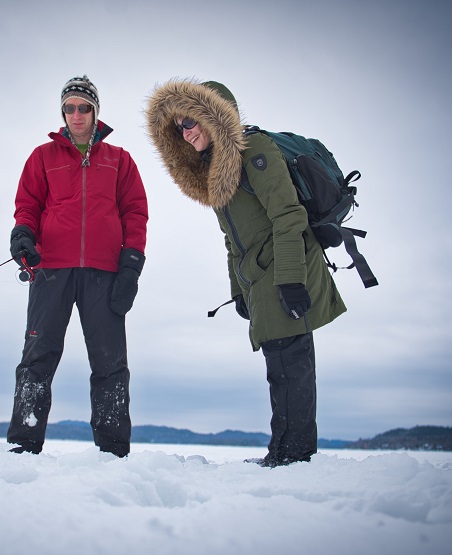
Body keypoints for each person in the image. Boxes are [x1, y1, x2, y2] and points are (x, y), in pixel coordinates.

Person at [145, 79, 346, 467]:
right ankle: (284, 452)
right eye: (180, 127)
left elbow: (288, 216)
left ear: (213, 116)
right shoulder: (217, 171)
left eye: (191, 121)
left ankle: (293, 456)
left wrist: (291, 279)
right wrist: (238, 290)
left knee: (291, 362)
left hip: (287, 266)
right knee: (279, 365)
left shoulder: (256, 150)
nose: (186, 132)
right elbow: (232, 239)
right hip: (261, 276)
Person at [6, 75, 148, 458]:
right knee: (37, 357)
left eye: (84, 107)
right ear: (63, 113)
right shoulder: (42, 157)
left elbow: (135, 213)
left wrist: (131, 265)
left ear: (95, 111)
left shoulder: (120, 160)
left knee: (110, 362)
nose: (77, 114)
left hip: (105, 273)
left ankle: (112, 450)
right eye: (69, 108)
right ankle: (25, 442)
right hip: (51, 269)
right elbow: (27, 206)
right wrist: (22, 235)